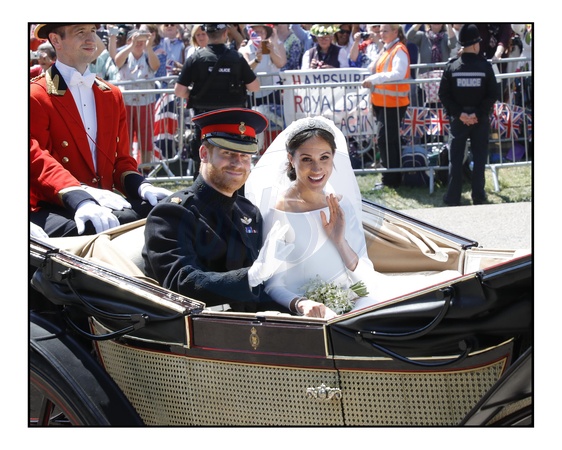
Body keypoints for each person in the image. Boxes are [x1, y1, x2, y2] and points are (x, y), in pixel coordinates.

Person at [245, 116, 458, 318]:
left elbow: (364, 275)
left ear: (333, 158)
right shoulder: (278, 211)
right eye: (307, 159)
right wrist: (302, 304)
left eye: (324, 158)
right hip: (305, 310)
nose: (317, 168)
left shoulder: (340, 204)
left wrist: (340, 242)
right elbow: (273, 285)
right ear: (291, 159)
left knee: (446, 290)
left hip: (352, 298)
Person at [142, 108, 293, 312]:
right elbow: (181, 282)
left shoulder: (249, 212)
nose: (238, 163)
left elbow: (261, 292)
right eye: (227, 153)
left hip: (250, 323)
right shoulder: (172, 214)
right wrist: (249, 277)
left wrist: (297, 303)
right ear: (204, 154)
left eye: (245, 156)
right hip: (200, 326)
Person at [30, 23, 171, 238]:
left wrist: (142, 186)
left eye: (93, 32)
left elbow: (121, 160)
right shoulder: (35, 95)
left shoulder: (111, 94)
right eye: (80, 32)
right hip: (54, 204)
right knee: (92, 228)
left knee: (165, 212)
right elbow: (37, 160)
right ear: (56, 40)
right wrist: (80, 198)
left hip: (103, 204)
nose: (91, 39)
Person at [174, 23, 260, 180]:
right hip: (233, 121)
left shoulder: (196, 58)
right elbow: (254, 87)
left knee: (204, 161)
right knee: (234, 161)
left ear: (206, 34)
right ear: (225, 33)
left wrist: (194, 96)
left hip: (205, 121)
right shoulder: (237, 58)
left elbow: (179, 90)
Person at [438, 24, 500, 206]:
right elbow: (493, 94)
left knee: (456, 159)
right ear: (474, 45)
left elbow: (444, 95)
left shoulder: (452, 67)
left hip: (459, 120)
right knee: (479, 158)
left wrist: (460, 114)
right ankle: (478, 196)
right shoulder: (485, 67)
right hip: (479, 119)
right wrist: (477, 114)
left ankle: (452, 197)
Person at [362, 24, 410, 189]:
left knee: (385, 140)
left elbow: (399, 73)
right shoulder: (387, 49)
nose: (381, 33)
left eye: (385, 31)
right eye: (380, 31)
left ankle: (390, 179)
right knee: (390, 140)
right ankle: (394, 178)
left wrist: (375, 79)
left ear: (395, 32)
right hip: (383, 102)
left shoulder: (399, 49)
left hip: (393, 103)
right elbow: (372, 68)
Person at [115, 25, 161, 165]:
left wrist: (148, 47)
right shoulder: (124, 54)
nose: (139, 43)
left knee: (146, 139)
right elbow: (117, 61)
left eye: (142, 40)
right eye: (136, 40)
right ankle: (127, 167)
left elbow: (156, 66)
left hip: (145, 103)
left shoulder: (148, 55)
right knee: (126, 137)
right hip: (126, 103)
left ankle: (146, 168)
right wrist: (131, 45)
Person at [239, 24, 286, 108]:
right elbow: (246, 69)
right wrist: (256, 60)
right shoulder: (244, 50)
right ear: (250, 33)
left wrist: (272, 52)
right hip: (252, 94)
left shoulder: (270, 47)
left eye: (263, 32)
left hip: (270, 92)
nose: (260, 35)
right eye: (257, 32)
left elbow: (280, 64)